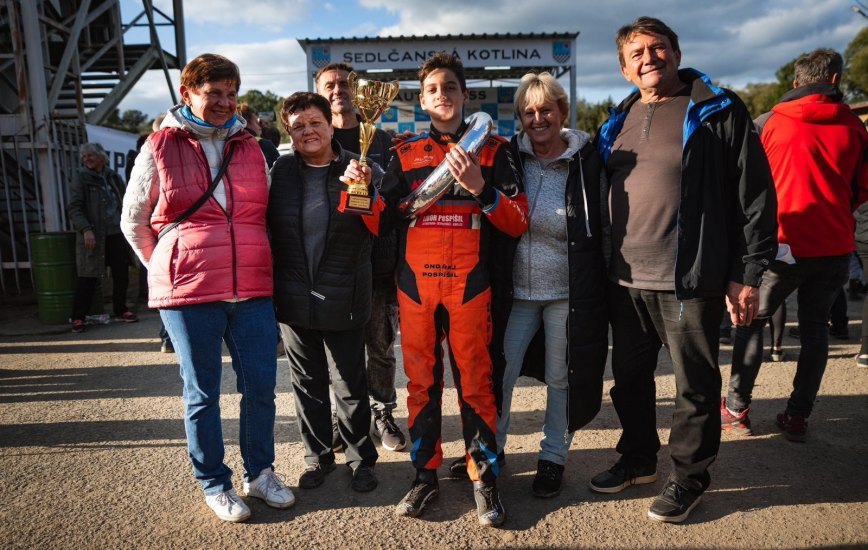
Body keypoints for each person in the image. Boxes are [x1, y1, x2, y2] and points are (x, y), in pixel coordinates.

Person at [591, 17, 777, 523]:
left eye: (658, 48)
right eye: (637, 53)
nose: (649, 58)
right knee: (629, 379)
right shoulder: (618, 118)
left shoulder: (718, 110)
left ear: (676, 51)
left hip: (689, 280)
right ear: (625, 69)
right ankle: (637, 460)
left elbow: (755, 197)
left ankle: (689, 477)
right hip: (623, 278)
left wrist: (747, 272)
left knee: (693, 384)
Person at [121, 53, 293, 522]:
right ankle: (214, 482)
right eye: (212, 92)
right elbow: (133, 220)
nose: (223, 102)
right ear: (188, 93)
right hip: (190, 292)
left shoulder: (252, 147)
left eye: (230, 93)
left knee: (260, 387)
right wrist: (168, 266)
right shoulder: (158, 146)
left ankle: (260, 473)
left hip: (252, 289)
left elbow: (267, 214)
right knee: (203, 392)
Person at [381, 52, 528, 527]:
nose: (441, 95)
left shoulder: (494, 150)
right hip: (416, 287)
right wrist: (357, 189)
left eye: (450, 87)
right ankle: (424, 477)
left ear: (466, 95)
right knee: (421, 386)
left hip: (471, 286)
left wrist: (483, 189)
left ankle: (484, 480)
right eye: (432, 90)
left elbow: (518, 223)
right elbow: (377, 218)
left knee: (476, 386)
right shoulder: (402, 154)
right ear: (422, 101)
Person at [722, 48, 868, 441]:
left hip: (780, 244)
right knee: (816, 329)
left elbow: (746, 186)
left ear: (795, 83)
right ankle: (798, 416)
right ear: (835, 80)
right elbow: (862, 189)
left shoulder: (769, 123)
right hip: (835, 244)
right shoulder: (856, 128)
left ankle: (736, 408)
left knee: (751, 324)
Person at [492, 72, 609, 498]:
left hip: (566, 292)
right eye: (529, 112)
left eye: (546, 110)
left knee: (561, 377)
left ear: (561, 111)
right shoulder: (508, 158)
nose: (538, 118)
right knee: (500, 374)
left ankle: (553, 457)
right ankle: (491, 451)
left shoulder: (586, 161)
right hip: (517, 295)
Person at [268, 91, 381, 494]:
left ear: (330, 123)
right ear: (289, 132)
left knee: (350, 384)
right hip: (295, 297)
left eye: (314, 122)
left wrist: (366, 190)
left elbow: (377, 228)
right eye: (298, 126)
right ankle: (317, 458)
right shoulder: (280, 171)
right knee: (307, 384)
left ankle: (360, 459)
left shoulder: (361, 167)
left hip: (344, 296)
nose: (307, 131)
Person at [314, 62, 406, 452]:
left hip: (379, 262)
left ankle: (383, 411)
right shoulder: (316, 139)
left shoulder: (383, 140)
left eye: (344, 84)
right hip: (334, 264)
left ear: (358, 90)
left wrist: (374, 182)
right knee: (338, 350)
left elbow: (399, 200)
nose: (338, 91)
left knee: (380, 345)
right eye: (329, 85)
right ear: (320, 91)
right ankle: (345, 418)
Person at [68, 142, 139, 333]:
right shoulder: (81, 179)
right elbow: (75, 209)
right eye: (84, 157)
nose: (86, 159)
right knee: (88, 276)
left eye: (90, 155)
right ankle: (78, 317)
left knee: (121, 273)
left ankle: (121, 309)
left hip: (116, 232)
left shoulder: (113, 176)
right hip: (94, 234)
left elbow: (125, 201)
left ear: (101, 156)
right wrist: (86, 230)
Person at [237, 103, 280, 168]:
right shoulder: (264, 144)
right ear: (246, 122)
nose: (260, 126)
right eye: (257, 122)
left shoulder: (229, 144)